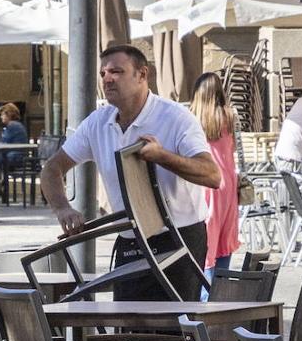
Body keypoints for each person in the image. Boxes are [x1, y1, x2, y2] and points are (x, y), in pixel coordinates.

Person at [39, 45, 220, 301]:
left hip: (178, 236)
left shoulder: (176, 117)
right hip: (130, 236)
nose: (107, 79)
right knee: (127, 323)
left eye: (116, 71)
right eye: (103, 73)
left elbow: (213, 175)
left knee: (173, 329)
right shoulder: (98, 122)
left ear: (142, 74)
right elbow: (51, 169)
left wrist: (163, 157)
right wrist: (62, 208)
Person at [190, 72, 240, 291]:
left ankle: (204, 293)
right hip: (227, 185)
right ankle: (219, 290)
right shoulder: (229, 116)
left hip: (204, 183)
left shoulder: (192, 118)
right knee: (224, 238)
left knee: (206, 238)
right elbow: (233, 148)